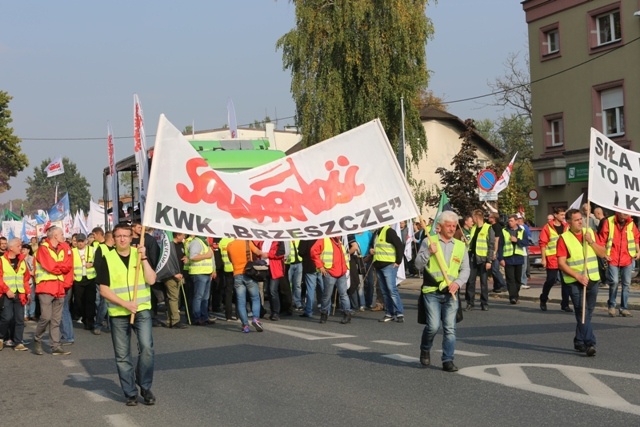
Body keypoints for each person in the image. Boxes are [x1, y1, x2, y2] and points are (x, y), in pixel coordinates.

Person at [96, 223, 157, 406]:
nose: (122, 239)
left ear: (132, 238)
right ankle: (130, 392)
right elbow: (104, 290)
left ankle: (144, 385)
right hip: (119, 312)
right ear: (113, 239)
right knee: (123, 355)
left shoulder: (139, 256)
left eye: (126, 236)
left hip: (142, 308)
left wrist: (144, 258)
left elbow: (152, 280)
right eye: (119, 236)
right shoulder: (106, 258)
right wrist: (125, 304)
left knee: (147, 349)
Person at [415, 211, 469, 372]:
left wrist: (458, 283)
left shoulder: (460, 245)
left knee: (450, 328)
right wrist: (428, 252)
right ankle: (425, 348)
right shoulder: (429, 242)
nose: (452, 229)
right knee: (432, 326)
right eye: (449, 225)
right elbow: (417, 265)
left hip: (451, 292)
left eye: (454, 225)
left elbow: (466, 269)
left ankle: (447, 360)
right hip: (431, 291)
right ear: (440, 226)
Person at [557, 209, 606, 357]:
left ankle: (579, 340)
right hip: (575, 281)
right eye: (577, 219)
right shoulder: (564, 238)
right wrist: (577, 276)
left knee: (588, 313)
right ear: (569, 222)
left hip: (593, 279)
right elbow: (561, 263)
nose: (580, 222)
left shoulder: (589, 232)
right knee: (581, 312)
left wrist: (591, 241)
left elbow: (602, 253)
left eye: (581, 219)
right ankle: (589, 343)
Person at [34, 226, 73, 356]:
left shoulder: (64, 248)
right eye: (61, 234)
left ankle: (55, 346)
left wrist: (59, 267)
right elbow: (51, 267)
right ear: (55, 236)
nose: (63, 235)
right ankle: (37, 338)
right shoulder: (43, 249)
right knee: (46, 317)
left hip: (59, 287)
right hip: (46, 287)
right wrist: (60, 267)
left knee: (56, 319)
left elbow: (68, 266)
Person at [599, 211, 640, 317]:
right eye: (622, 215)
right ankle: (612, 306)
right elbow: (603, 239)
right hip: (612, 257)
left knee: (626, 284)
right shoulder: (609, 221)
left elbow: (636, 237)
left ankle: (624, 308)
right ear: (618, 213)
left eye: (626, 215)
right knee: (614, 282)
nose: (624, 218)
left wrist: (638, 251)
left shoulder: (631, 222)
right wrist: (603, 254)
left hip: (627, 257)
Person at [310, 236, 353, 324]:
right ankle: (324, 314)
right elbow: (313, 251)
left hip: (341, 272)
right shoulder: (324, 239)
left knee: (343, 294)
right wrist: (320, 266)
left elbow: (343, 257)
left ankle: (347, 314)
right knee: (327, 295)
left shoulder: (339, 241)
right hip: (330, 272)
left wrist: (345, 268)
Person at [226, 239, 265, 333]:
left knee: (241, 301)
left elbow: (230, 259)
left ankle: (245, 325)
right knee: (255, 298)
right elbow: (257, 252)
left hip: (237, 275)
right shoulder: (247, 242)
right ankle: (255, 319)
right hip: (248, 274)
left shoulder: (229, 245)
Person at [0, 238, 32, 351]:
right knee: (6, 317)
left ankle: (18, 342)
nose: (21, 248)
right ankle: (1, 337)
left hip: (20, 294)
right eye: (19, 246)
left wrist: (28, 292)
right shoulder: (1, 260)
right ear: (11, 248)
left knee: (19, 319)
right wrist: (6, 290)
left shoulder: (22, 261)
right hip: (6, 294)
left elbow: (25, 278)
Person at [539, 207, 572, 312]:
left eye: (564, 214)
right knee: (551, 280)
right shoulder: (547, 227)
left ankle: (565, 304)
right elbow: (543, 244)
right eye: (561, 215)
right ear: (555, 215)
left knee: (566, 281)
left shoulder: (567, 226)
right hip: (552, 258)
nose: (563, 217)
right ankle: (543, 298)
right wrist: (543, 259)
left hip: (564, 257)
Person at [371, 224, 405, 322]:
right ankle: (389, 313)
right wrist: (371, 250)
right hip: (378, 265)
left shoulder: (389, 231)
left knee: (392, 290)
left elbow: (399, 245)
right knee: (385, 291)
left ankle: (399, 313)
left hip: (389, 265)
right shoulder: (377, 232)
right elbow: (373, 245)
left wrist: (398, 261)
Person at [465, 209, 494, 311]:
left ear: (477, 218)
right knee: (470, 281)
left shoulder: (488, 228)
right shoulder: (473, 228)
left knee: (484, 283)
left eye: (473, 218)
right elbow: (472, 242)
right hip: (473, 258)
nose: (472, 220)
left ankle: (484, 303)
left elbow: (491, 246)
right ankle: (470, 303)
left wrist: (489, 261)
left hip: (483, 259)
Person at [498, 214, 528, 304]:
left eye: (511, 221)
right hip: (508, 258)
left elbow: (526, 242)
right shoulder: (504, 231)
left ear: (516, 221)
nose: (509, 222)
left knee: (518, 280)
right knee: (510, 279)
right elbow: (500, 245)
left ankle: (516, 295)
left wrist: (517, 240)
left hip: (518, 258)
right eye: (509, 221)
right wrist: (501, 258)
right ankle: (512, 297)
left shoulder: (522, 231)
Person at [71, 233, 97, 332]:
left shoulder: (92, 249)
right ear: (76, 242)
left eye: (82, 241)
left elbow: (98, 261)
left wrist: (92, 264)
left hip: (90, 278)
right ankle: (84, 317)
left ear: (86, 241)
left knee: (90, 301)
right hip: (78, 279)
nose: (80, 243)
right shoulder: (72, 251)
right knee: (79, 301)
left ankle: (89, 321)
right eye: (79, 241)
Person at [187, 235, 215, 326]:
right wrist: (206, 255)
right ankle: (197, 317)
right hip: (199, 273)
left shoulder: (205, 243)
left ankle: (204, 317)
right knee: (198, 297)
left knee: (205, 298)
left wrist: (213, 270)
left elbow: (211, 258)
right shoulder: (196, 242)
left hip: (206, 273)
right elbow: (193, 256)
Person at [487, 213, 507, 293]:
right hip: (494, 250)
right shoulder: (491, 226)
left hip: (496, 250)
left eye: (490, 217)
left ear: (494, 218)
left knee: (495, 269)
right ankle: (496, 287)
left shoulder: (496, 227)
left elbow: (496, 240)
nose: (488, 218)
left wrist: (494, 252)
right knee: (493, 269)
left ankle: (503, 285)